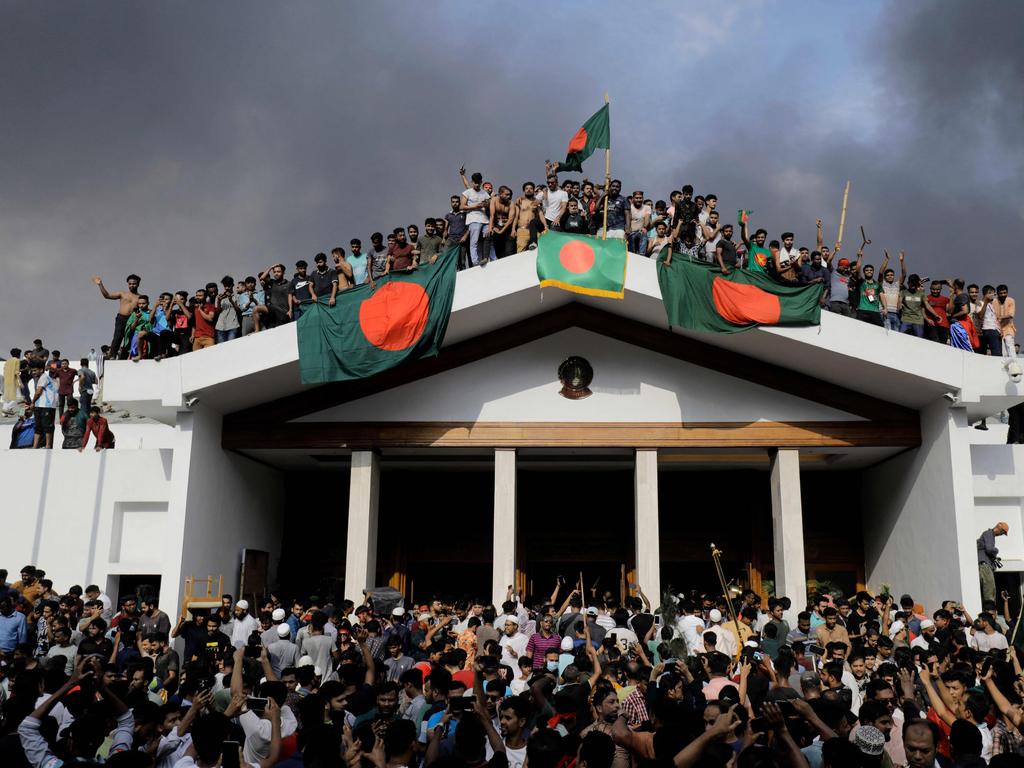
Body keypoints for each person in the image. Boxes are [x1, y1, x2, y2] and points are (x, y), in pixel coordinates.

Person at [93, 273, 142, 359]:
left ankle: (124, 357)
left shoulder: (140, 297)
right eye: (130, 283)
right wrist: (100, 284)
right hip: (121, 318)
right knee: (117, 337)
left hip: (132, 320)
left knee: (129, 339)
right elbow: (107, 296)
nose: (131, 285)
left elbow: (144, 308)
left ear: (138, 284)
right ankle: (112, 355)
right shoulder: (122, 293)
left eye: (134, 283)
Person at [462, 172, 492, 267]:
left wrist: (486, 204)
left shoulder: (485, 193)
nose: (477, 184)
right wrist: (475, 206)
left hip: (485, 219)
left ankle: (488, 258)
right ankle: (475, 262)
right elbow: (462, 206)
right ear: (472, 182)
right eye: (475, 182)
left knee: (488, 236)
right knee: (474, 242)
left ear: (481, 182)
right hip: (473, 219)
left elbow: (489, 203)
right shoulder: (467, 192)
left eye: (478, 182)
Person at [977, 522, 1008, 604]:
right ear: (1000, 529)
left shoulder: (989, 535)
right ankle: (990, 610)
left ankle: (989, 609)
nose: (1001, 535)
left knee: (989, 590)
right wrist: (996, 550)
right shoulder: (989, 534)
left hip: (985, 565)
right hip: (985, 565)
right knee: (990, 590)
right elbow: (990, 549)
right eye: (1003, 532)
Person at [29, 361, 58, 449]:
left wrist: (32, 402)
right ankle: (35, 446)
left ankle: (48, 445)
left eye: (35, 370)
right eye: (32, 371)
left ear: (41, 370)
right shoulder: (43, 378)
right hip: (40, 405)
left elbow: (38, 391)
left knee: (47, 427)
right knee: (38, 426)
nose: (33, 373)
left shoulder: (44, 377)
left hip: (47, 406)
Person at [995, 284, 1016, 357]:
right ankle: (1005, 366)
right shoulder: (994, 301)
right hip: (997, 328)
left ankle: (1014, 363)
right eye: (1001, 293)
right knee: (1003, 351)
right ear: (997, 294)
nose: (1003, 295)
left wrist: (1000, 317)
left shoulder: (1011, 300)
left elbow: (1011, 315)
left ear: (1007, 292)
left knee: (1009, 344)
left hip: (1008, 327)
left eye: (1005, 293)